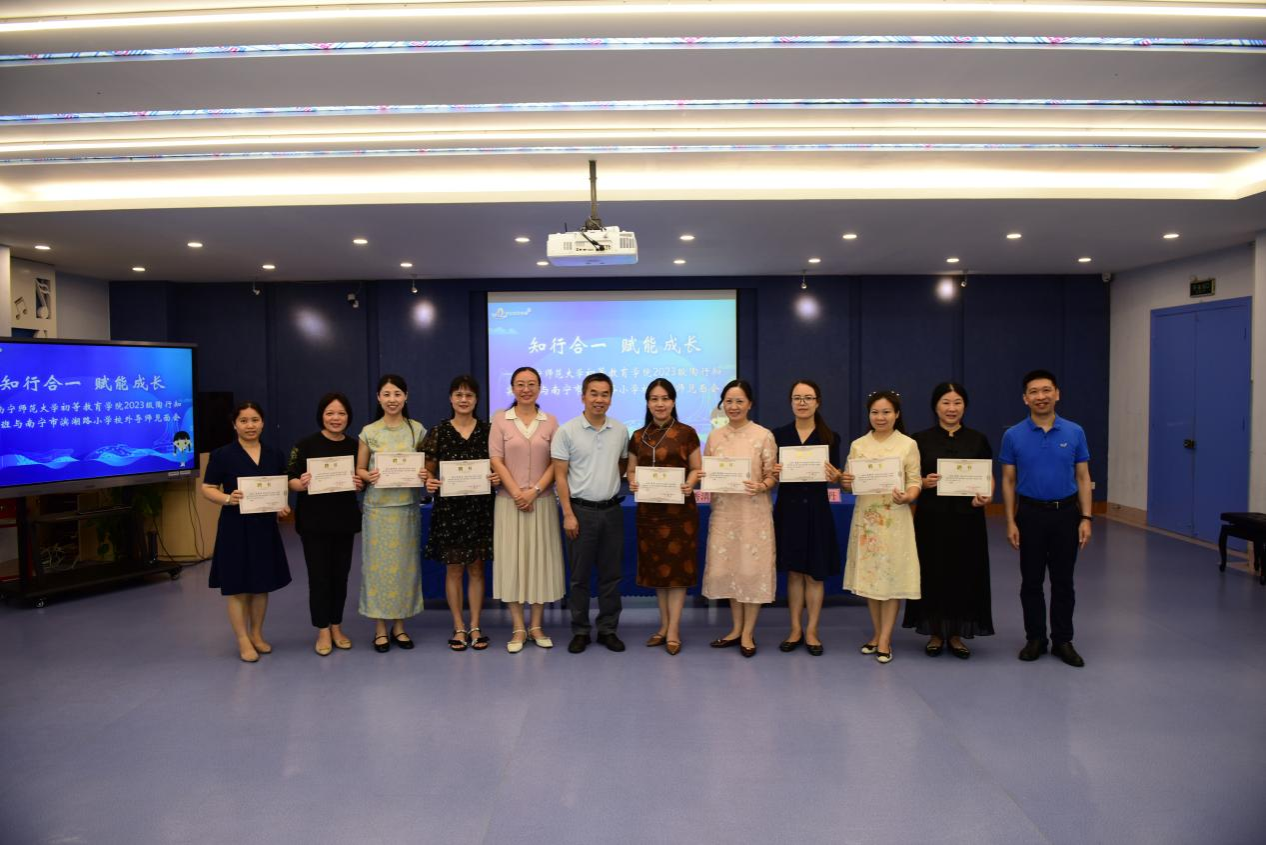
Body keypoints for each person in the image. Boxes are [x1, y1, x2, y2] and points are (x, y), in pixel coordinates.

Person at [1000, 369, 1093, 668]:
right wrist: (1010, 521)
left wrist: (1086, 517)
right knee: (1031, 581)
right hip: (1029, 515)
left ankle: (1063, 640)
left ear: (1057, 394)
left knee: (1064, 581)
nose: (1041, 396)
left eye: (1046, 390)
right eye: (1034, 392)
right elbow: (1008, 481)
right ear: (1025, 398)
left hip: (1066, 514)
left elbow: (1083, 476)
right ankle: (1036, 638)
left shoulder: (1075, 432)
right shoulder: (1012, 435)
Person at [902, 382, 994, 658]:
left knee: (965, 573)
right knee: (933, 572)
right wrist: (923, 483)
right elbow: (910, 478)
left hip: (968, 520)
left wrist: (986, 496)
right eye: (946, 402)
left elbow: (988, 477)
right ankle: (934, 631)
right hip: (932, 519)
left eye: (957, 403)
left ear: (965, 406)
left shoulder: (978, 439)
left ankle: (956, 633)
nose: (951, 408)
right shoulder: (919, 440)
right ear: (935, 406)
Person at [200, 401, 292, 662]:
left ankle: (257, 634)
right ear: (234, 425)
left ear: (262, 423)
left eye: (255, 420)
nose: (250, 425)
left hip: (264, 527)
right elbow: (207, 488)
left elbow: (280, 487)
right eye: (243, 421)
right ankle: (242, 639)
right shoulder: (222, 455)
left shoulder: (274, 454)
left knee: (261, 586)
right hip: (235, 528)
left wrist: (281, 506)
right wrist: (228, 498)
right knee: (238, 587)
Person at [841, 390, 922, 664]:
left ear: (897, 414)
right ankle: (876, 634)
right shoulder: (858, 445)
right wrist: (845, 481)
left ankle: (885, 639)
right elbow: (849, 484)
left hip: (895, 520)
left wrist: (908, 496)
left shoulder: (908, 444)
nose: (880, 417)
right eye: (875, 412)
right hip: (867, 520)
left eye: (886, 412)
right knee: (871, 579)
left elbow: (915, 480)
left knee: (891, 580)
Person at [488, 366, 565, 654]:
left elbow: (557, 462)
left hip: (541, 502)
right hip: (509, 503)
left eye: (531, 384)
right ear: (512, 388)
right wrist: (517, 492)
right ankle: (518, 627)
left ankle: (536, 626)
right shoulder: (500, 420)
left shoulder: (551, 421)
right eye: (520, 384)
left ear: (540, 388)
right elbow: (496, 459)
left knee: (540, 562)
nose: (526, 389)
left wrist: (534, 491)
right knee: (512, 562)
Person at [552, 372, 630, 654]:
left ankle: (608, 629)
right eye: (594, 393)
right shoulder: (567, 431)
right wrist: (568, 514)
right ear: (583, 396)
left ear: (611, 398)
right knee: (579, 577)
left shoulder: (620, 430)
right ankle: (580, 630)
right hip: (580, 511)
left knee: (611, 576)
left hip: (611, 511)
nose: (599, 399)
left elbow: (622, 465)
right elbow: (560, 476)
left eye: (605, 394)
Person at [422, 375, 499, 652]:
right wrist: (429, 481)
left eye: (469, 395)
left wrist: (496, 477)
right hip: (450, 511)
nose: (464, 400)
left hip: (480, 510)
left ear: (476, 400)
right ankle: (458, 626)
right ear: (450, 399)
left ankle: (475, 625)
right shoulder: (439, 431)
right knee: (454, 569)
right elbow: (428, 470)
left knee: (477, 568)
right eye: (459, 395)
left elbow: (499, 465)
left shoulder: (489, 431)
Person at [626, 379, 702, 656]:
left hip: (680, 514)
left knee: (677, 573)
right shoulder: (638, 436)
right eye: (654, 399)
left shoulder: (687, 433)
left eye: (665, 398)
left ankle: (673, 630)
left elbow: (696, 468)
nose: (660, 404)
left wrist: (690, 484)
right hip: (650, 514)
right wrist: (632, 482)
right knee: (659, 571)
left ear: (673, 402)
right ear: (648, 403)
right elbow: (631, 470)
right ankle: (664, 625)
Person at [702, 379, 777, 658]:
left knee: (751, 570)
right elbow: (708, 472)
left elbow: (772, 475)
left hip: (753, 514)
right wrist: (705, 477)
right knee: (730, 569)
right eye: (729, 401)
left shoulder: (763, 435)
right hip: (724, 513)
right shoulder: (714, 437)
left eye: (739, 401)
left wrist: (763, 485)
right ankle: (735, 628)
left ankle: (748, 633)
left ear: (750, 404)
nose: (733, 406)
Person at [288, 392, 364, 656]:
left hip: (343, 520)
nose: (336, 418)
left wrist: (360, 483)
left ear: (348, 417)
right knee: (319, 577)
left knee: (340, 577)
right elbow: (290, 478)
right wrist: (301, 484)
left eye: (341, 413)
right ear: (321, 415)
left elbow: (362, 479)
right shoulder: (305, 444)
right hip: (314, 522)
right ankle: (322, 629)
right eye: (330, 413)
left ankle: (337, 626)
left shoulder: (355, 446)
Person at [356, 374, 427, 654]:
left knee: (404, 569)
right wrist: (368, 475)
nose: (392, 399)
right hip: (378, 510)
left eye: (397, 394)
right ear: (378, 398)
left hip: (407, 509)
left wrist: (425, 473)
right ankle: (379, 629)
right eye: (386, 394)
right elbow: (360, 470)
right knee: (377, 570)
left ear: (406, 396)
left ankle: (399, 626)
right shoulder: (369, 431)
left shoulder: (417, 430)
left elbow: (427, 466)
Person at [770, 379, 842, 656]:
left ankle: (811, 630)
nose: (802, 403)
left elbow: (835, 476)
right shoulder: (779, 435)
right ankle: (794, 629)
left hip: (817, 511)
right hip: (789, 511)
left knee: (814, 574)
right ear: (790, 402)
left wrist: (835, 476)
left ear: (817, 402)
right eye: (797, 398)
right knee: (794, 573)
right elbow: (773, 476)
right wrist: (773, 473)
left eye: (808, 398)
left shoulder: (830, 437)